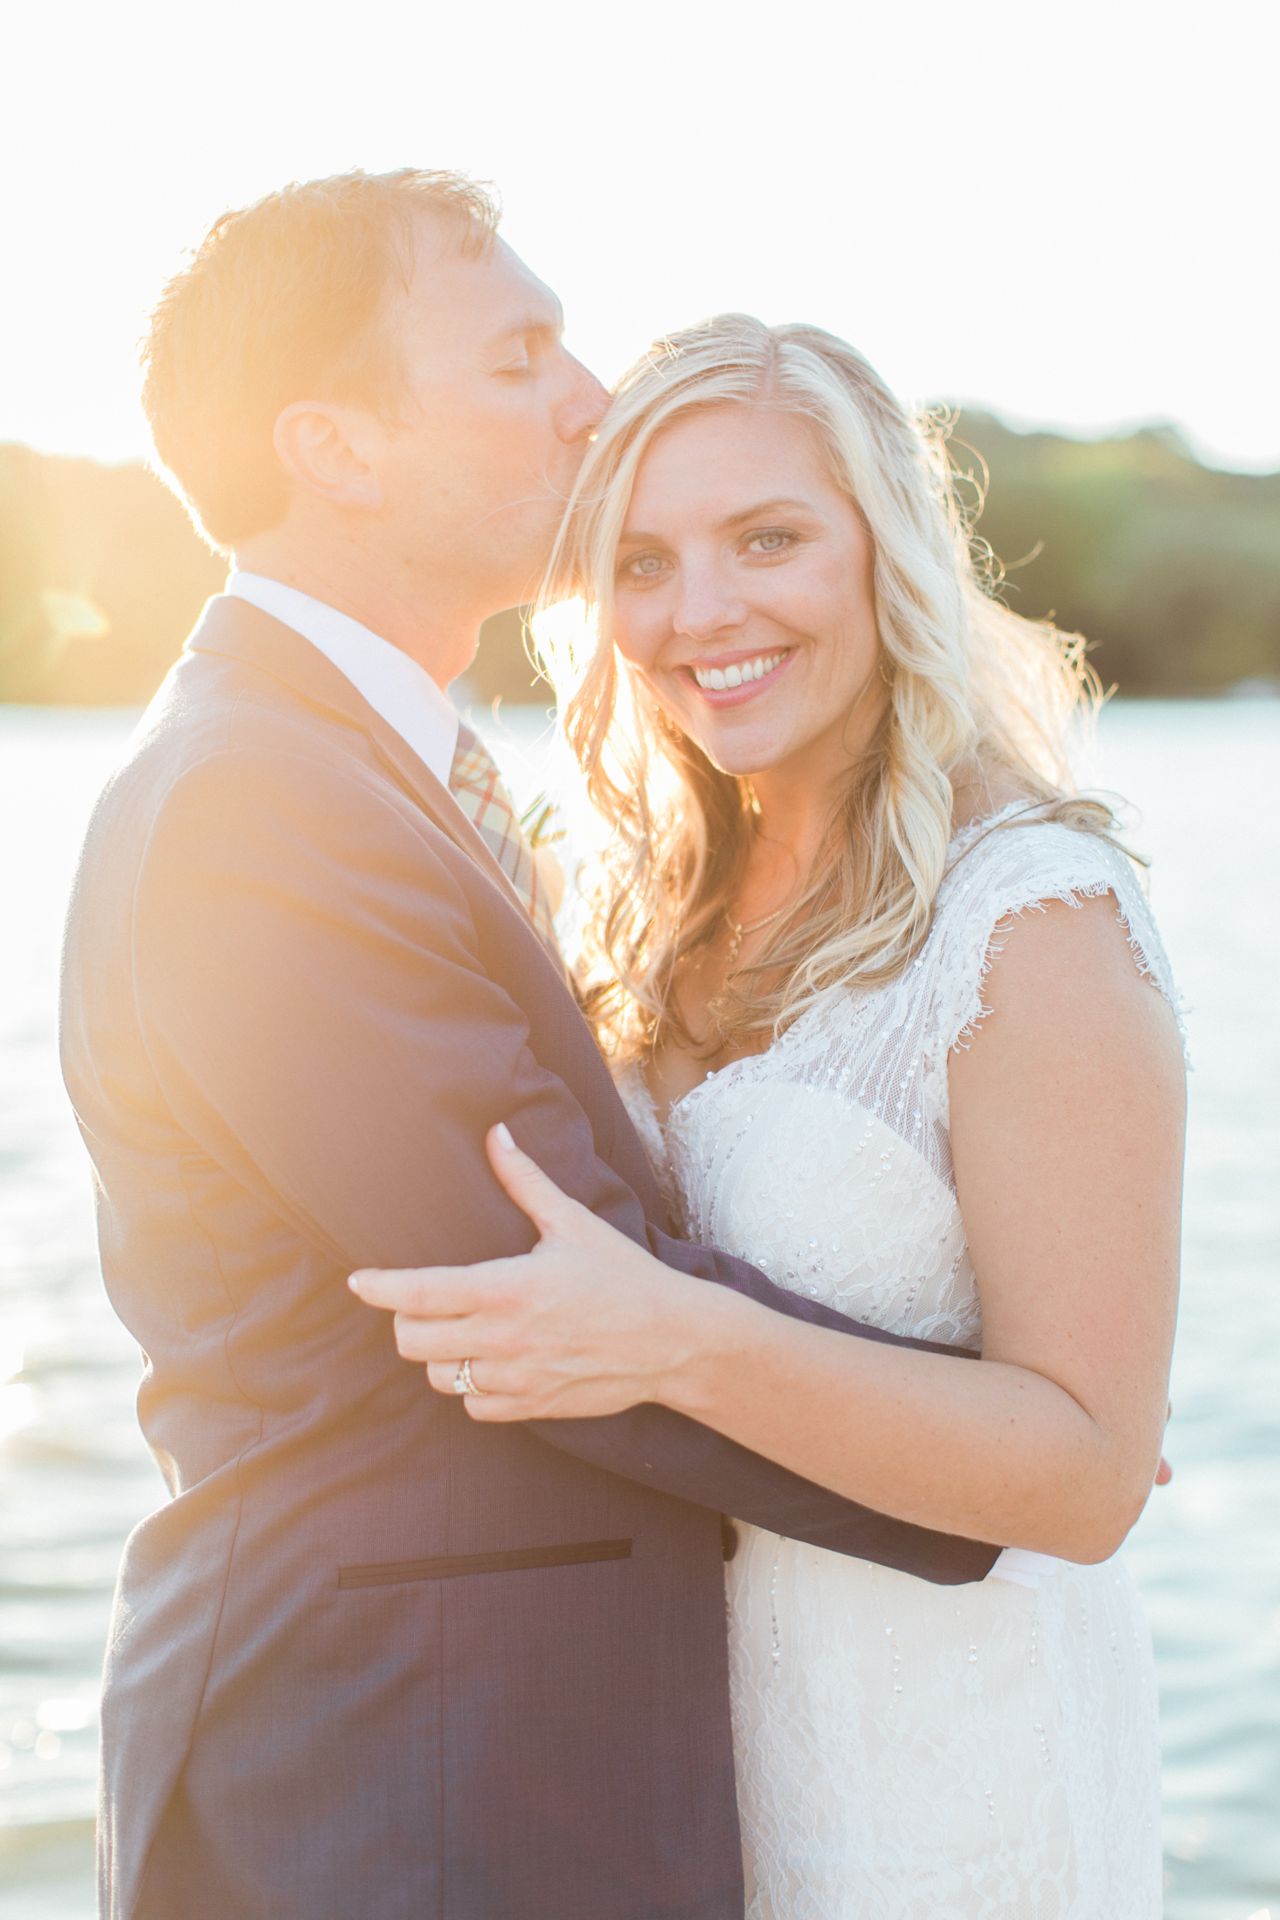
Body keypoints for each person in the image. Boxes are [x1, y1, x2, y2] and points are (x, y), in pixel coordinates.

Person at [60, 177, 1004, 1920]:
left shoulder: (360, 763)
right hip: (391, 1784)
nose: (591, 394)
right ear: (334, 446)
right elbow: (546, 1276)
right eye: (519, 352)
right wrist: (989, 1451)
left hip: (479, 1764)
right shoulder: (253, 808)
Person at [353, 316, 1186, 1916]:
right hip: (678, 1777)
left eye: (769, 539)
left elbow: (1089, 1475)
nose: (701, 613)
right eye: (646, 563)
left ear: (891, 550)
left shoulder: (1033, 920)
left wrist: (672, 1337)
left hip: (949, 1772)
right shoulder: (645, 912)